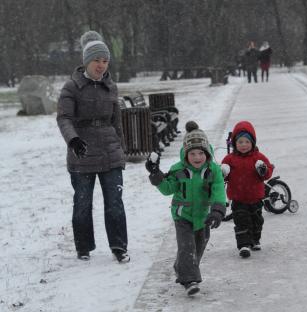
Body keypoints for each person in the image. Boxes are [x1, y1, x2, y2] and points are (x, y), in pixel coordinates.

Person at [57, 31, 130, 262]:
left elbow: (116, 121)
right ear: (87, 61)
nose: (101, 65)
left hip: (110, 152)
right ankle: (84, 247)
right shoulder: (71, 87)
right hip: (83, 152)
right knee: (82, 203)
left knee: (115, 202)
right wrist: (73, 140)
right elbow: (64, 118)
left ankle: (119, 246)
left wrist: (121, 150)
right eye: (96, 60)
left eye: (105, 60)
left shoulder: (111, 86)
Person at [145, 121, 226, 296]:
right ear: (186, 154)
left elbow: (219, 190)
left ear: (207, 153)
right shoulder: (178, 170)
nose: (197, 158)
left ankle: (181, 267)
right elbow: (167, 189)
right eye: (193, 154)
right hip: (183, 216)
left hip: (204, 216)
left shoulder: (213, 171)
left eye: (200, 153)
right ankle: (190, 281)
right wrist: (155, 174)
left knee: (198, 247)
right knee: (187, 247)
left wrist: (217, 211)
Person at [221, 121, 274, 258]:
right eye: (240, 142)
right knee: (241, 221)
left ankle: (255, 239)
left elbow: (267, 174)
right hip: (238, 198)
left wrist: (263, 170)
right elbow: (222, 176)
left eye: (246, 142)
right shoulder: (230, 159)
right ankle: (244, 244)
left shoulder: (259, 157)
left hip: (255, 197)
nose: (243, 145)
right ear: (234, 144)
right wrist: (223, 172)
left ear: (252, 143)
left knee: (257, 221)